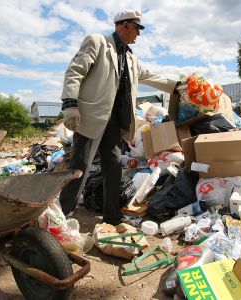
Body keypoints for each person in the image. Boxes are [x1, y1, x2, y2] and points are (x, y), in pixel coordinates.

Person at [59, 9, 179, 225]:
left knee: (113, 165)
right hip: (91, 117)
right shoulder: (97, 43)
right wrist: (70, 105)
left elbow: (152, 76)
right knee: (80, 163)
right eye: (137, 28)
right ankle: (63, 211)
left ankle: (112, 215)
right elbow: (74, 71)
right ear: (124, 25)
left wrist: (177, 85)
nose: (139, 34)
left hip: (115, 122)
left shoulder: (131, 58)